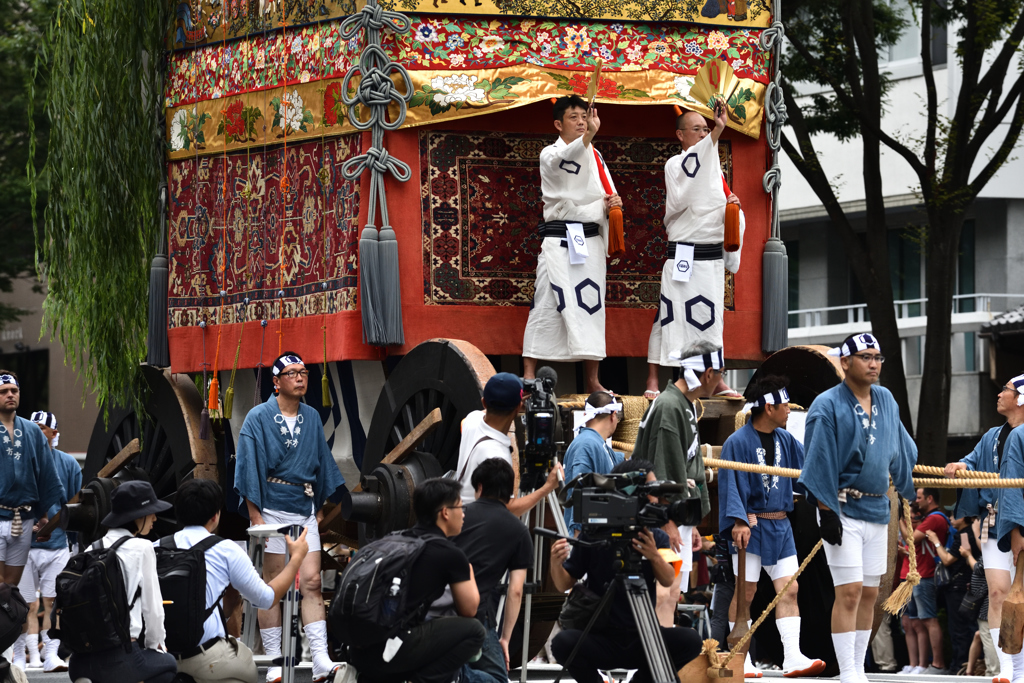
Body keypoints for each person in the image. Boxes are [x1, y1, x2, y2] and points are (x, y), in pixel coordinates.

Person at [798, 333, 916, 683]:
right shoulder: (826, 404)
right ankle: (847, 669)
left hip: (878, 509)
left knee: (869, 593)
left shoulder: (887, 399)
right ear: (845, 362)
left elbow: (901, 445)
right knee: (848, 591)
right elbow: (818, 459)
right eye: (866, 357)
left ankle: (858, 664)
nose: (874, 364)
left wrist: (909, 476)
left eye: (878, 357)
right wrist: (826, 511)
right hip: (843, 508)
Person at [233, 352, 348, 683]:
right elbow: (248, 465)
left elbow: (322, 460)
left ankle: (321, 660)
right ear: (276, 382)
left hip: (304, 505)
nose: (301, 378)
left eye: (304, 372)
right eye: (293, 373)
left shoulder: (311, 416)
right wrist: (255, 514)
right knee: (272, 587)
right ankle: (274, 661)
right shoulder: (257, 417)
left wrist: (321, 505)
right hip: (270, 508)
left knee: (312, 581)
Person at [548, 459, 703, 683]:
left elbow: (668, 579)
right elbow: (564, 583)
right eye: (649, 490)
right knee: (562, 644)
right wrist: (555, 562)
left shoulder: (656, 536)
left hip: (644, 638)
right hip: (602, 636)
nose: (655, 497)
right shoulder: (595, 533)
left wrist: (652, 555)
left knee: (690, 640)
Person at [718, 377, 824, 678]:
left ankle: (793, 657)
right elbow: (730, 484)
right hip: (750, 525)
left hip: (781, 526)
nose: (790, 410)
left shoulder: (786, 440)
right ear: (769, 406)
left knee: (790, 590)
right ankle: (742, 659)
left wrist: (834, 490)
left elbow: (807, 474)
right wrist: (739, 520)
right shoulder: (736, 442)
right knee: (746, 594)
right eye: (786, 405)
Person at [643, 105, 745, 400]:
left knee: (711, 318)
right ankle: (653, 376)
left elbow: (718, 200)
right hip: (684, 253)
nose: (703, 133)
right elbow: (690, 183)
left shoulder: (715, 169)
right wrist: (718, 131)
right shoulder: (675, 165)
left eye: (706, 128)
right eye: (698, 129)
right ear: (680, 135)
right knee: (670, 315)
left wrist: (732, 207)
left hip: (710, 257)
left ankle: (717, 376)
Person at [522, 95, 622, 394]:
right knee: (546, 301)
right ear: (558, 123)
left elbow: (604, 191)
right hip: (560, 239)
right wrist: (590, 134)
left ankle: (592, 379)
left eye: (584, 117)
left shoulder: (596, 155)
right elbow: (565, 163)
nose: (581, 122)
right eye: (574, 117)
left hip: (589, 241)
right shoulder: (550, 154)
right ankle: (528, 372)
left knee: (591, 304)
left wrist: (611, 204)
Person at [163, 479, 310, 683]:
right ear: (215, 516)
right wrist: (296, 560)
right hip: (206, 658)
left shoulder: (154, 548)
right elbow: (266, 599)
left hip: (161, 657)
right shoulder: (226, 549)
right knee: (246, 664)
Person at [348, 478, 485, 683]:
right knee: (474, 631)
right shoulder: (449, 553)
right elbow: (469, 609)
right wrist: (468, 571)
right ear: (445, 512)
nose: (463, 514)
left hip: (360, 651)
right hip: (392, 651)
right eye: (460, 507)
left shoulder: (393, 539)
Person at [632, 341, 721, 625]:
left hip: (676, 513)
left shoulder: (685, 405)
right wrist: (668, 520)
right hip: (661, 513)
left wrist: (690, 522)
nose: (721, 380)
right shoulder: (670, 405)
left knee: (673, 592)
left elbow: (687, 466)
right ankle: (657, 662)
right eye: (720, 374)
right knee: (664, 590)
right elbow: (661, 469)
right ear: (707, 374)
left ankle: (666, 659)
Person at [949, 373, 1024, 683]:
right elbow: (972, 460)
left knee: (1021, 596)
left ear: (1020, 398)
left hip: (1021, 524)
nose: (999, 394)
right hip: (993, 523)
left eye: (1005, 390)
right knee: (997, 593)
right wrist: (962, 466)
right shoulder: (992, 435)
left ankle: (1021, 667)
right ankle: (1006, 667)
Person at [67, 480, 177, 683]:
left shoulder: (91, 549)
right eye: (151, 512)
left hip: (79, 662)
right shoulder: (143, 548)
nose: (154, 517)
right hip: (118, 660)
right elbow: (153, 609)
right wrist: (156, 645)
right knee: (169, 665)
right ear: (137, 516)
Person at [453, 458, 533, 683]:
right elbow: (515, 591)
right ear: (510, 492)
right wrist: (505, 639)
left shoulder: (458, 516)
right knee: (497, 679)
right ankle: (457, 677)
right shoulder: (518, 531)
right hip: (478, 615)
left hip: (440, 610)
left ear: (479, 487)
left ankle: (454, 674)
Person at [11, 412, 80, 672]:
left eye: (43, 428)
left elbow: (75, 505)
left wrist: (74, 542)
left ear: (54, 433)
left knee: (52, 603)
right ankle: (22, 655)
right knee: (24, 604)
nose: (38, 433)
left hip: (57, 544)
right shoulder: (15, 461)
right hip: (23, 544)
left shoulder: (69, 465)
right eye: (34, 428)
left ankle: (51, 654)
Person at [454, 372, 559, 515]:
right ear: (518, 407)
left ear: (484, 402)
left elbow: (471, 419)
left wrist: (514, 405)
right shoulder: (496, 456)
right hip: (478, 527)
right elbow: (507, 509)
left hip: (461, 517)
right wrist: (547, 487)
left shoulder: (471, 420)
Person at [0, 372, 64, 588]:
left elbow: (44, 474)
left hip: (24, 518)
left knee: (10, 588)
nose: (10, 395)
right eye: (3, 392)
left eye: (14, 391)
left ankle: (11, 624)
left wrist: (43, 516)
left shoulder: (33, 432)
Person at [898, 488, 948, 673]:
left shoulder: (935, 518)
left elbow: (910, 538)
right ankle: (914, 665)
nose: (916, 502)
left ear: (930, 498)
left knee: (927, 620)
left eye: (918, 498)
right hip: (908, 575)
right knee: (910, 623)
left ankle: (935, 664)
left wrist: (899, 519)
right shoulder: (927, 518)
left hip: (923, 575)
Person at [563, 391, 624, 535]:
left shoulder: (598, 445)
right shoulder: (586, 445)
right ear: (613, 415)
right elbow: (580, 497)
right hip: (585, 543)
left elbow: (622, 462)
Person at [926, 513, 979, 674]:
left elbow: (948, 559)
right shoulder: (967, 533)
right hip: (965, 588)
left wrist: (935, 542)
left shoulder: (964, 535)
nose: (950, 517)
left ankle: (959, 667)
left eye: (954, 514)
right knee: (965, 629)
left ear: (964, 517)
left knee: (959, 630)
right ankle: (962, 665)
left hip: (959, 589)